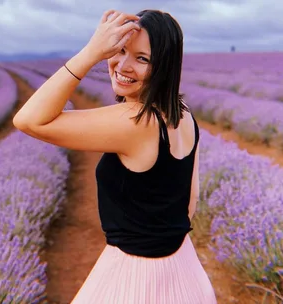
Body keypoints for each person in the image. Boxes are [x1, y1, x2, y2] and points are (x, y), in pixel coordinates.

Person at [13, 8, 217, 304]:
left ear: (164, 66)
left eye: (142, 58)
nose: (123, 65)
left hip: (135, 278)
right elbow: (190, 201)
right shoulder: (183, 115)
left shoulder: (134, 121)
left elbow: (29, 120)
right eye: (119, 50)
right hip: (184, 270)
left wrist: (91, 52)